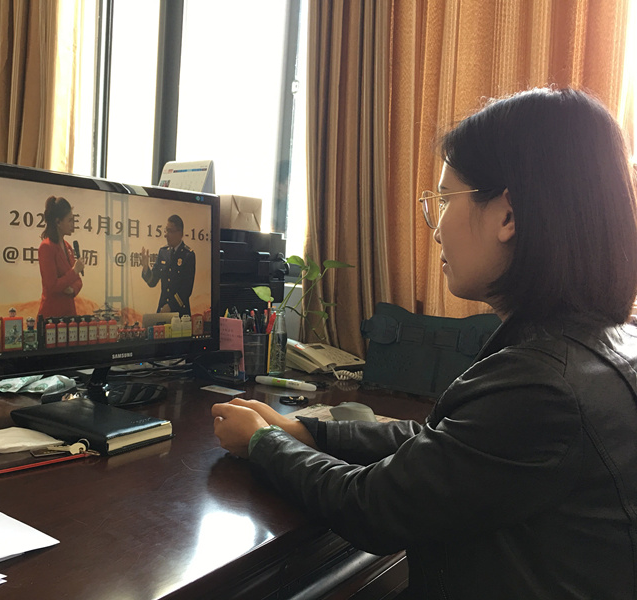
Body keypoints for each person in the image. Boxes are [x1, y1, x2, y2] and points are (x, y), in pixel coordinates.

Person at [211, 88, 637, 599]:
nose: (435, 230)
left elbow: (371, 506)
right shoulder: (597, 347)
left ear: (508, 216)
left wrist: (263, 442)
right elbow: (442, 445)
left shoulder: (543, 387)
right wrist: (304, 430)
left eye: (445, 199)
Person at [37, 196, 83, 318]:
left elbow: (78, 281)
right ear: (58, 222)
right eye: (70, 220)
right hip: (52, 316)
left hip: (69, 314)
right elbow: (51, 285)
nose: (73, 224)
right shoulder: (46, 247)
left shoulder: (68, 246)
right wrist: (74, 271)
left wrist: (72, 289)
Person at [141, 214, 196, 315]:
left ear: (180, 233)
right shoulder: (163, 252)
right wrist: (145, 268)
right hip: (163, 309)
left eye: (170, 231)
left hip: (179, 312)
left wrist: (170, 306)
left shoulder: (188, 255)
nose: (166, 235)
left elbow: (186, 289)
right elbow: (152, 282)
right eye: (166, 230)